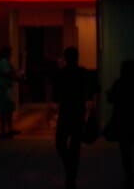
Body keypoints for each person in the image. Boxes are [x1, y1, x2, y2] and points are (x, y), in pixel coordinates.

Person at [52, 46, 98, 189]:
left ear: (66, 58)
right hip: (78, 112)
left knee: (61, 143)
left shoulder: (61, 73)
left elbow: (55, 94)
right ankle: (71, 174)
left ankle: (70, 171)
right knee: (75, 146)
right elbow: (94, 88)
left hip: (66, 112)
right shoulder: (83, 72)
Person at [106, 57, 134, 187]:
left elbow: (111, 98)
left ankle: (129, 173)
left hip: (121, 117)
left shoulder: (119, 83)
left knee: (125, 147)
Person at [0, 46, 22, 139]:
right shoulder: (3, 63)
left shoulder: (4, 62)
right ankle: (4, 130)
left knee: (7, 109)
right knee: (4, 110)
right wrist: (17, 76)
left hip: (5, 88)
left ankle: (8, 129)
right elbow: (8, 73)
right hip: (3, 88)